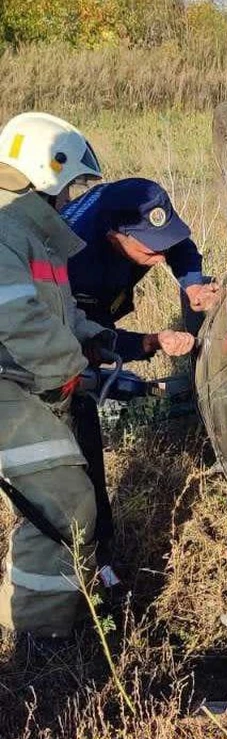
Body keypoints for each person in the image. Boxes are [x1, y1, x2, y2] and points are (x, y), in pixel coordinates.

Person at [58, 178, 219, 573]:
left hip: (95, 300)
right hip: (55, 336)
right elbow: (90, 342)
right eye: (150, 249)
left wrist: (193, 284)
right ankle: (95, 554)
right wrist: (151, 341)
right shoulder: (72, 262)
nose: (161, 257)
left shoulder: (141, 198)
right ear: (115, 236)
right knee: (80, 425)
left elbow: (177, 244)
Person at [0, 112, 114, 653]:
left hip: (26, 388)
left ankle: (27, 609)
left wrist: (112, 342)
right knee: (64, 501)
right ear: (46, 172)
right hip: (9, 389)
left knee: (45, 501)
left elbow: (59, 315)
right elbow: (18, 320)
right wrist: (73, 370)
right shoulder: (5, 229)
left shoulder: (33, 234)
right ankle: (41, 642)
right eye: (70, 185)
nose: (73, 197)